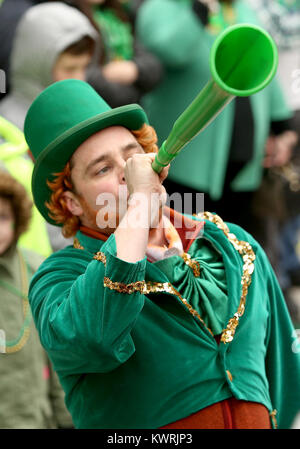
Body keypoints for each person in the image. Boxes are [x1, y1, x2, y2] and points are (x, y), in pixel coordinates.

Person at [23, 78, 300, 429]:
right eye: (104, 169)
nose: (131, 172)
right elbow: (94, 336)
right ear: (71, 202)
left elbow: (284, 374)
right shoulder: (58, 279)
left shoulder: (232, 243)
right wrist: (139, 205)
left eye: (133, 155)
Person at [134, 0, 298, 234]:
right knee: (184, 251)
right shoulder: (162, 7)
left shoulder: (243, 9)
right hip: (182, 173)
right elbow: (170, 51)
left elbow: (263, 67)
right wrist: (201, 9)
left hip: (244, 174)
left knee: (233, 255)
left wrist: (284, 129)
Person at [0, 1, 97, 252]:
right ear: (36, 65)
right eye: (69, 69)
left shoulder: (77, 115)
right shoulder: (9, 127)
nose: (80, 78)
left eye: (84, 67)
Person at [0, 168, 73, 429]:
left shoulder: (38, 271)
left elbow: (58, 356)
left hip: (36, 417)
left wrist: (67, 419)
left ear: (17, 219)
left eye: (2, 217)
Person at [68, 0, 163, 107]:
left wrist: (135, 69)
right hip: (94, 109)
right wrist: (106, 75)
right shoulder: (68, 17)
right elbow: (74, 72)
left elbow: (153, 66)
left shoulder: (117, 13)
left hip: (127, 106)